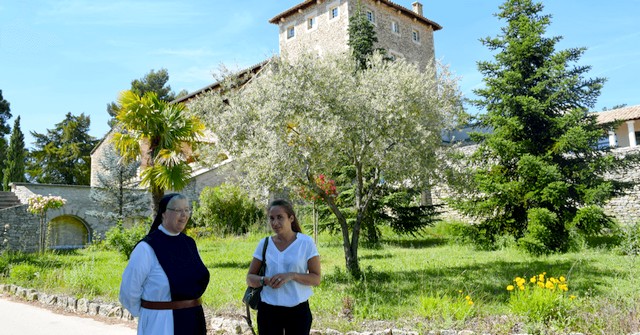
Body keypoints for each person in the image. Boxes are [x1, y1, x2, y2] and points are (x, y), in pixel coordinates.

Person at [119, 193, 210, 335]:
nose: (184, 215)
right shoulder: (146, 248)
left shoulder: (189, 244)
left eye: (186, 210)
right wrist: (148, 314)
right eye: (178, 210)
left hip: (193, 320)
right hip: (161, 323)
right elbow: (129, 290)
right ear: (163, 213)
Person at [246, 199, 321, 335]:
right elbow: (250, 278)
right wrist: (265, 280)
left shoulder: (306, 243)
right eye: (272, 218)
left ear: (291, 218)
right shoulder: (265, 243)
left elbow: (316, 279)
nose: (275, 223)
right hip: (268, 311)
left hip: (298, 312)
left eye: (280, 217)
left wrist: (292, 275)